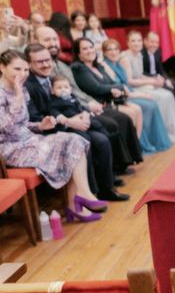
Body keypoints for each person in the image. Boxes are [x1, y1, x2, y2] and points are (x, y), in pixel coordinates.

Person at [0, 49, 106, 222]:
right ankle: (78, 203)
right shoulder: (7, 92)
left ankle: (80, 197)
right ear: (2, 67)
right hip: (9, 148)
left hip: (28, 139)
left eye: (25, 70)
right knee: (66, 148)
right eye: (17, 69)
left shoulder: (21, 89)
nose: (23, 74)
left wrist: (40, 125)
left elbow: (23, 124)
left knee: (75, 140)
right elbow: (6, 128)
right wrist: (18, 96)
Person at [33, 26, 140, 174]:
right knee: (112, 123)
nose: (52, 43)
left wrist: (90, 104)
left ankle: (119, 166)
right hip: (67, 114)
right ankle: (115, 168)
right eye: (47, 39)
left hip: (82, 106)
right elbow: (76, 94)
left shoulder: (63, 65)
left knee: (121, 119)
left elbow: (76, 90)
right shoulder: (65, 68)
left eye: (54, 39)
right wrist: (87, 106)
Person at [49, 75, 129, 202]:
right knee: (87, 141)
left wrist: (86, 115)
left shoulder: (72, 98)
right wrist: (71, 121)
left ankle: (107, 188)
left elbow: (82, 108)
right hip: (69, 127)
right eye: (59, 88)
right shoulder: (54, 101)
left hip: (84, 122)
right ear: (52, 90)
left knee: (103, 139)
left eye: (66, 87)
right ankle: (91, 191)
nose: (63, 90)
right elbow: (55, 114)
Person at [101, 39, 172, 154]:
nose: (113, 52)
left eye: (115, 49)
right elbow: (118, 87)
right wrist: (138, 94)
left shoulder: (117, 64)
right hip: (119, 97)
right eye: (109, 50)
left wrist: (140, 93)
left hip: (128, 92)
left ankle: (151, 140)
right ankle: (140, 144)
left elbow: (126, 84)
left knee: (152, 103)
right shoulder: (106, 66)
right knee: (148, 106)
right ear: (104, 52)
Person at [71, 38, 144, 142]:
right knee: (131, 113)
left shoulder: (98, 66)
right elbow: (97, 88)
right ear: (78, 54)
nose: (90, 50)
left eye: (91, 47)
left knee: (137, 109)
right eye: (85, 48)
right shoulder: (79, 68)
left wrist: (116, 88)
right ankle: (130, 147)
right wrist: (117, 88)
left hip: (110, 100)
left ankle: (136, 143)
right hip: (99, 104)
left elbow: (112, 83)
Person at [119, 31, 175, 142]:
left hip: (140, 84)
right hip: (132, 89)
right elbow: (129, 81)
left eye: (139, 40)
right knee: (163, 96)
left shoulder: (139, 55)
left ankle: (168, 128)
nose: (136, 43)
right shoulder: (126, 58)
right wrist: (152, 81)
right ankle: (162, 131)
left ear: (142, 42)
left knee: (168, 94)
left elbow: (140, 75)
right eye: (133, 41)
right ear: (128, 43)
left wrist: (154, 80)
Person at [142, 32, 175, 113]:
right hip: (148, 80)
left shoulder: (158, 52)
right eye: (152, 42)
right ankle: (170, 114)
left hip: (159, 77)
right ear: (145, 41)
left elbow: (161, 69)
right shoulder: (141, 54)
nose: (154, 44)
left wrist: (167, 79)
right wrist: (155, 77)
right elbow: (141, 72)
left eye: (156, 42)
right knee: (169, 90)